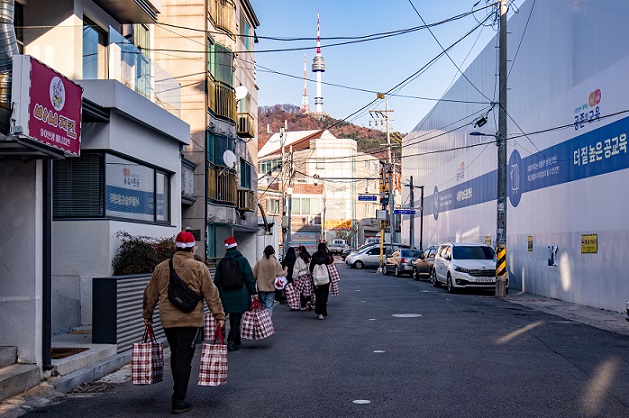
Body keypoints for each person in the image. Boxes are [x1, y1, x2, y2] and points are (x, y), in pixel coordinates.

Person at [142, 231, 225, 414]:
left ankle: (178, 388)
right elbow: (212, 294)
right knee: (184, 357)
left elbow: (150, 294)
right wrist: (219, 316)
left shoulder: (162, 267)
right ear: (192, 248)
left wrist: (147, 315)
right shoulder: (199, 267)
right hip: (191, 320)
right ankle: (178, 400)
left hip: (168, 320)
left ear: (175, 247)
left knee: (176, 353)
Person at [213, 236, 258, 352]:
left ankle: (236, 339)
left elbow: (217, 279)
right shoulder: (242, 260)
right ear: (236, 247)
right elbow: (249, 277)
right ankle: (232, 341)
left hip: (225, 294)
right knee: (236, 318)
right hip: (239, 293)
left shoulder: (222, 262)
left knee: (230, 317)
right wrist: (254, 292)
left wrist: (215, 294)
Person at [252, 245, 286, 317]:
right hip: (271, 287)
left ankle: (263, 321)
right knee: (269, 306)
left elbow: (254, 275)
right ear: (273, 252)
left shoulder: (260, 262)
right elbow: (280, 275)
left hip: (261, 287)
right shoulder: (275, 262)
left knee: (263, 306)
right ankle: (268, 321)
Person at [309, 242, 334, 320]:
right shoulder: (326, 257)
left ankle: (318, 312)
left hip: (316, 279)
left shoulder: (314, 255)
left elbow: (311, 267)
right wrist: (328, 250)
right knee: (324, 295)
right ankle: (322, 312)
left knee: (318, 296)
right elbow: (331, 260)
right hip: (325, 279)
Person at [293, 245, 312, 311]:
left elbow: (296, 269)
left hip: (301, 275)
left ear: (300, 250)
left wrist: (294, 277)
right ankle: (309, 301)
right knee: (308, 291)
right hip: (308, 276)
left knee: (300, 291)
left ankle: (303, 305)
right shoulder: (309, 257)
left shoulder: (299, 258)